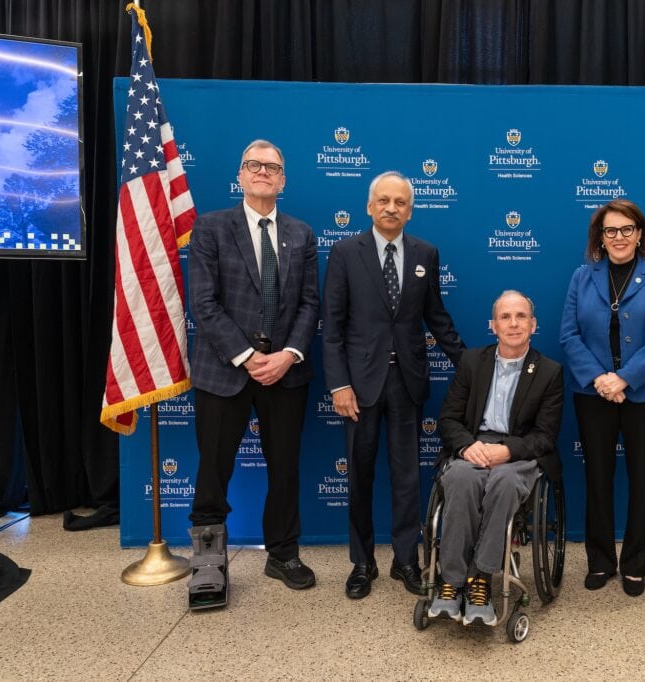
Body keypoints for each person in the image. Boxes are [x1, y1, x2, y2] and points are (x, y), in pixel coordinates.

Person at [187, 139, 320, 601]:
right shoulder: (210, 229)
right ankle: (207, 564)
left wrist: (287, 355)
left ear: (283, 180)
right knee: (213, 469)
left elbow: (309, 304)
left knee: (284, 468)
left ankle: (282, 553)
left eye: (272, 167)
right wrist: (246, 355)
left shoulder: (302, 234)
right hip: (224, 371)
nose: (263, 172)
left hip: (285, 372)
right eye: (253, 165)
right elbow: (202, 303)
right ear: (240, 176)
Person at [323, 170, 464, 600]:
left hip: (407, 382)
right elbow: (332, 328)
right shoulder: (346, 252)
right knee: (359, 476)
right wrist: (339, 385)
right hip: (359, 387)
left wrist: (473, 364)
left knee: (407, 477)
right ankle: (362, 563)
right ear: (369, 207)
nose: (390, 208)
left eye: (399, 202)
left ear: (410, 209)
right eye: (383, 201)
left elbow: (435, 317)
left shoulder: (426, 252)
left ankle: (406, 559)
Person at [559, 199, 645, 597]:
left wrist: (624, 379)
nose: (619, 237)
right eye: (611, 231)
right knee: (597, 477)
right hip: (593, 393)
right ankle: (600, 560)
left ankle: (635, 564)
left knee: (644, 479)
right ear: (601, 237)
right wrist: (600, 378)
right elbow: (569, 336)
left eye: (627, 229)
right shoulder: (582, 277)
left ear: (640, 233)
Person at [429, 291, 563, 625]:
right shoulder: (472, 362)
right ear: (493, 325)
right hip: (474, 445)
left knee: (504, 481)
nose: (513, 323)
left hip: (517, 451)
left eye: (521, 317)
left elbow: (545, 436)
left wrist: (507, 451)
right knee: (460, 477)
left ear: (533, 325)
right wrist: (465, 447)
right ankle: (451, 580)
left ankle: (481, 579)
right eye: (505, 317)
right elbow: (448, 419)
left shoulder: (549, 371)